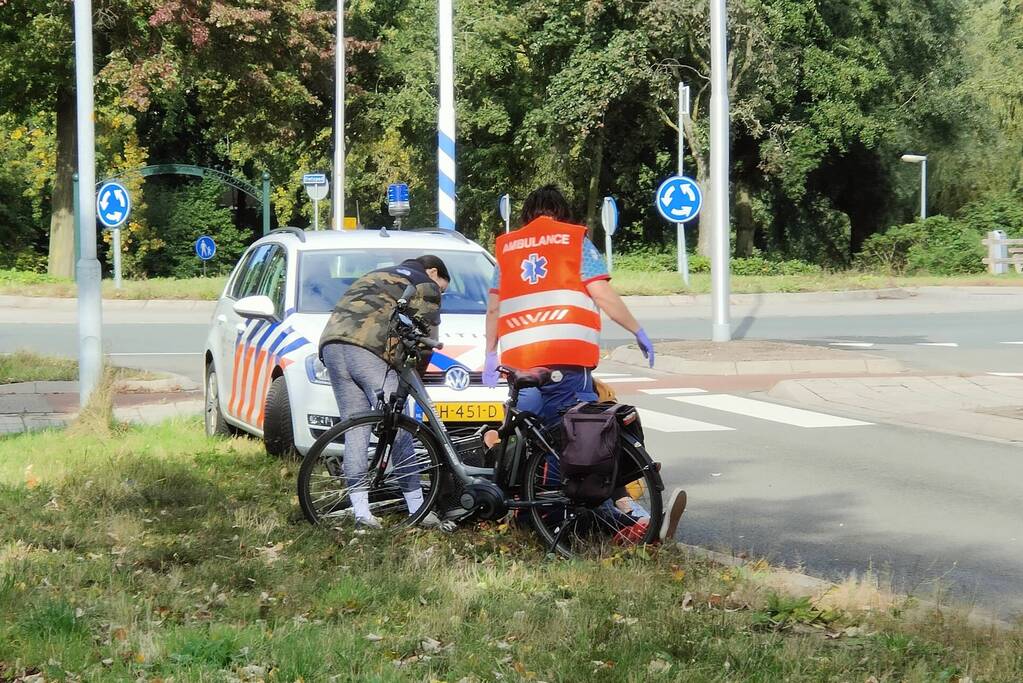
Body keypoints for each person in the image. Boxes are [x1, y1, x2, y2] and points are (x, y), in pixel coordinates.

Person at [482, 185, 686, 543]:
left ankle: (534, 516)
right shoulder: (574, 241)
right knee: (578, 443)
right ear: (562, 213)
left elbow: (495, 307)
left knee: (531, 444)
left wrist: (489, 353)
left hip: (521, 368)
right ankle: (581, 522)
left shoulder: (508, 248)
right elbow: (601, 293)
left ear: (527, 214)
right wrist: (636, 329)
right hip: (564, 364)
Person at [319, 255, 451, 529]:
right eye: (443, 288)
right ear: (433, 272)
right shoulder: (425, 283)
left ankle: (362, 513)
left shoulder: (377, 274)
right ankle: (419, 509)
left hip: (332, 345)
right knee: (399, 427)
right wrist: (415, 381)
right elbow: (426, 340)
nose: (441, 294)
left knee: (355, 428)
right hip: (369, 350)